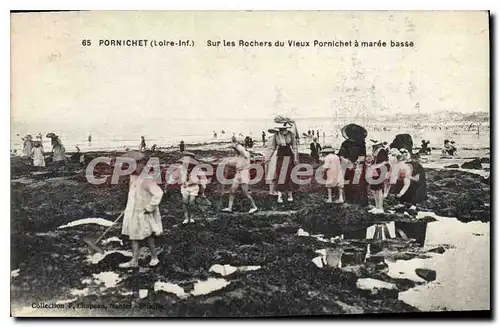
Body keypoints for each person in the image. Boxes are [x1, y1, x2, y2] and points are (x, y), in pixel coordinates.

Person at [119, 151, 163, 268]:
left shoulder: (147, 179)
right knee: (134, 235)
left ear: (143, 166)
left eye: (136, 165)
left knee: (148, 235)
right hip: (134, 211)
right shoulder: (133, 178)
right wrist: (129, 207)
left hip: (144, 212)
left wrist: (149, 207)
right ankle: (134, 260)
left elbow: (158, 193)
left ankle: (154, 257)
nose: (133, 168)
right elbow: (132, 195)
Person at [166, 153, 205, 224]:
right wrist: (168, 183)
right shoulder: (181, 168)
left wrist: (202, 190)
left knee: (192, 202)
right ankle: (186, 217)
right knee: (185, 202)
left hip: (194, 187)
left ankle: (192, 217)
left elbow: (202, 179)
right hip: (184, 187)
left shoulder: (197, 168)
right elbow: (174, 176)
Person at [266, 121, 299, 203]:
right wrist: (268, 158)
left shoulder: (291, 134)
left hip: (289, 155)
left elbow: (294, 147)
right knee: (280, 175)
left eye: (283, 128)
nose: (282, 130)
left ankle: (290, 194)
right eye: (280, 129)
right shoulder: (276, 135)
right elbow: (273, 148)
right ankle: (280, 195)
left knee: (289, 174)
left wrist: (295, 158)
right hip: (280, 155)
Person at [222, 141, 258, 214]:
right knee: (232, 191)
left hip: (244, 174)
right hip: (238, 174)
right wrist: (227, 162)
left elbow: (241, 150)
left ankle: (254, 207)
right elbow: (232, 163)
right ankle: (229, 208)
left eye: (236, 149)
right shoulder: (237, 156)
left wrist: (236, 145)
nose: (235, 150)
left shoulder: (246, 154)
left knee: (245, 193)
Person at [337, 124, 368, 206]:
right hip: (349, 165)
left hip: (358, 165)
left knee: (358, 183)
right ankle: (350, 200)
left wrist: (356, 163)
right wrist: (349, 162)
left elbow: (363, 155)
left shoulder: (361, 143)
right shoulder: (345, 143)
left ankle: (359, 201)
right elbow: (341, 156)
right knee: (350, 183)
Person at [367, 140, 390, 214]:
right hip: (375, 171)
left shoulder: (382, 150)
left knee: (379, 189)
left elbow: (385, 162)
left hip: (380, 171)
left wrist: (376, 166)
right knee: (373, 189)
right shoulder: (376, 150)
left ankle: (380, 208)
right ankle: (377, 206)